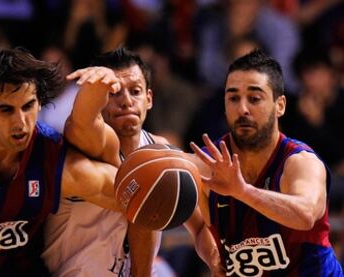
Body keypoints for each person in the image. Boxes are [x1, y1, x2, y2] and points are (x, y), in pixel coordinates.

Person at [0, 47, 120, 276]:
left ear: (39, 103)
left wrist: (171, 188)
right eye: (6, 110)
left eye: (28, 106)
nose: (21, 122)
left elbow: (132, 196)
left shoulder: (53, 159)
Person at [42, 47, 223, 276]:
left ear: (148, 99)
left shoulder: (161, 152)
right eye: (115, 92)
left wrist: (213, 258)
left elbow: (198, 228)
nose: (126, 101)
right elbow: (82, 121)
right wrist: (93, 88)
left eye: (135, 91)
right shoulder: (90, 144)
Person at [190, 49, 343, 276]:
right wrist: (210, 254)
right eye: (233, 98)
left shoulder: (300, 162)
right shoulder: (206, 162)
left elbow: (306, 214)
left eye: (254, 98)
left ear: (279, 105)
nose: (242, 109)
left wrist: (242, 191)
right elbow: (200, 225)